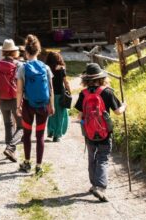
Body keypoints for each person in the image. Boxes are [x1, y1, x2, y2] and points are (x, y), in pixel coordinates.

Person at [75, 63, 126, 201]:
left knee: (92, 158)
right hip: (104, 133)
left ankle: (93, 185)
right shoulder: (107, 92)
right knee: (103, 158)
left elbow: (79, 116)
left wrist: (86, 123)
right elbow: (117, 112)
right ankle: (100, 187)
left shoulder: (83, 93)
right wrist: (124, 106)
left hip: (89, 133)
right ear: (101, 77)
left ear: (86, 79)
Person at [15, 34, 54, 174]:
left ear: (26, 52)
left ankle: (26, 163)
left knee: (27, 134)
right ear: (38, 51)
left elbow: (19, 91)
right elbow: (51, 88)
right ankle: (38, 166)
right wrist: (52, 105)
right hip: (43, 106)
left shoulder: (22, 68)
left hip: (28, 105)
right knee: (40, 136)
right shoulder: (46, 68)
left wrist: (18, 106)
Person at [0, 39, 23, 161]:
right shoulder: (18, 65)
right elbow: (21, 84)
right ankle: (10, 148)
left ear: (4, 52)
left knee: (8, 124)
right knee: (21, 127)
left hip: (3, 99)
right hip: (15, 99)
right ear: (14, 52)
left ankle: (9, 150)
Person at [45, 51, 71, 142]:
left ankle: (51, 131)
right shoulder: (61, 69)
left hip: (49, 94)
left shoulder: (47, 69)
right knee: (60, 115)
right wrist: (69, 91)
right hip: (60, 94)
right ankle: (57, 135)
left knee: (51, 114)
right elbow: (65, 82)